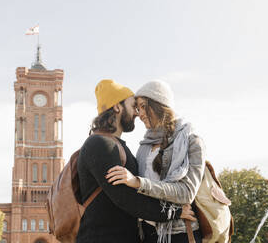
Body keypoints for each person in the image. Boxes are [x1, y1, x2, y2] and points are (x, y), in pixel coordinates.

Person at [76, 79, 195, 243]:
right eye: (133, 106)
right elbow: (126, 198)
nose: (138, 113)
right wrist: (174, 212)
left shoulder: (118, 145)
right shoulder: (99, 144)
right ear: (117, 107)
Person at [106, 80, 205, 243]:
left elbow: (186, 193)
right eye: (137, 108)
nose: (140, 114)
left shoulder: (192, 141)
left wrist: (138, 182)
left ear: (159, 104)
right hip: (147, 233)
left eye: (143, 106)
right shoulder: (144, 147)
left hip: (178, 234)